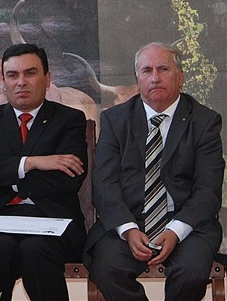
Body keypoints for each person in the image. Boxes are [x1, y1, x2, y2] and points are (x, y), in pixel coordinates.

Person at [84, 42, 224, 301]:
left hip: (187, 224)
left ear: (180, 77)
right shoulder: (115, 120)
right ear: (138, 79)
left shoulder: (204, 122)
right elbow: (104, 185)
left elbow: (208, 190)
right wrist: (127, 228)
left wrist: (176, 230)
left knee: (191, 273)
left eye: (163, 69)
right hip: (129, 221)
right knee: (107, 268)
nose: (155, 77)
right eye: (146, 70)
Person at [0, 43, 87, 301]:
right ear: (3, 81)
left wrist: (4, 178)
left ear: (47, 78)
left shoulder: (70, 119)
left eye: (30, 73)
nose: (21, 82)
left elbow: (68, 177)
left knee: (35, 250)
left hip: (51, 221)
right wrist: (31, 163)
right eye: (12, 75)